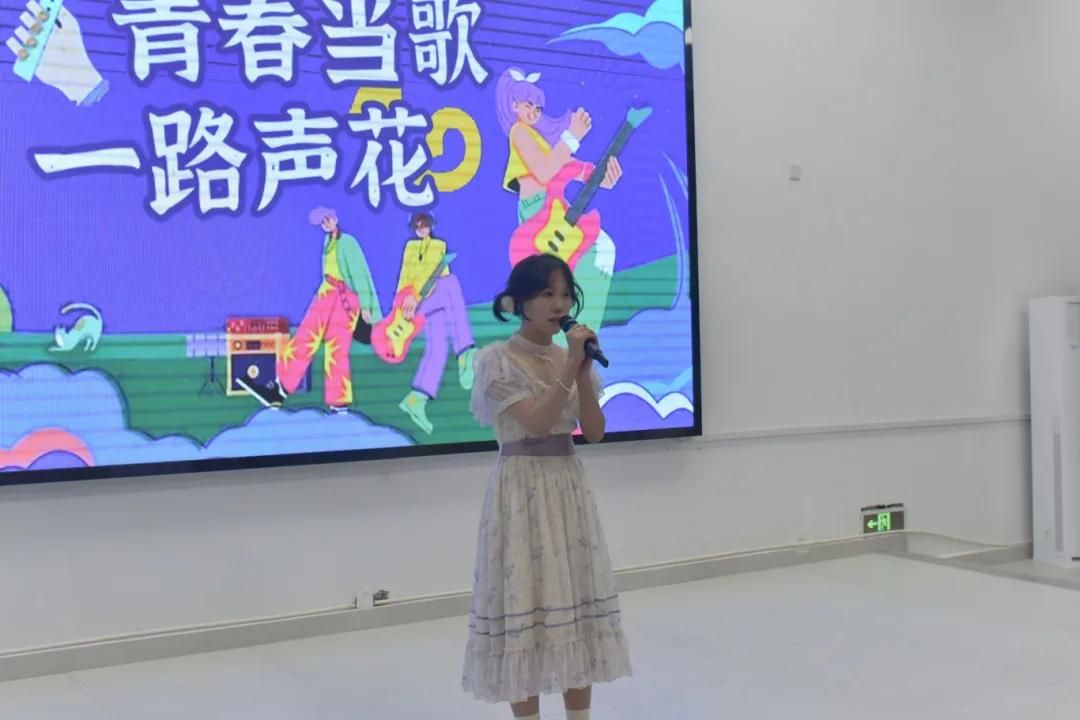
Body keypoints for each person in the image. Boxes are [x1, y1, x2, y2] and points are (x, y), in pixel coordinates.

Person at [462, 254, 631, 720]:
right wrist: (569, 367)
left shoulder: (570, 360)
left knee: (573, 604)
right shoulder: (496, 360)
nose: (559, 304)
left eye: (565, 294)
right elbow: (535, 423)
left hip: (567, 487)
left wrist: (582, 373)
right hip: (521, 490)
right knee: (525, 604)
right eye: (546, 294)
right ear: (519, 302)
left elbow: (594, 431)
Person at [494, 67, 623, 341]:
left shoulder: (538, 138)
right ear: (514, 105)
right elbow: (544, 170)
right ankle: (569, 341)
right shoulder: (519, 133)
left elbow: (566, 166)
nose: (533, 111)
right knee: (586, 257)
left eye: (537, 108)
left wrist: (600, 175)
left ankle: (579, 340)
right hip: (539, 212)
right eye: (528, 104)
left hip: (553, 207)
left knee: (596, 253)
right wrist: (573, 135)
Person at [239, 207, 380, 412]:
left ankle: (339, 401)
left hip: (345, 299)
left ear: (335, 219)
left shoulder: (348, 242)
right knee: (306, 337)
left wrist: (366, 305)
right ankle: (280, 388)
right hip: (327, 291)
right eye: (322, 222)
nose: (326, 224)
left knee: (337, 348)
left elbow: (360, 273)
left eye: (328, 219)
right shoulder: (328, 242)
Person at [395, 212, 477, 434]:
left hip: (433, 299)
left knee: (438, 348)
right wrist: (403, 303)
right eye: (418, 225)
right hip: (414, 304)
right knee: (451, 284)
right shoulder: (410, 247)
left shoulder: (439, 245)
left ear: (431, 226)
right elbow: (405, 276)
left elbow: (435, 273)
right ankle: (465, 352)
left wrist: (418, 296)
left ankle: (416, 398)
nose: (421, 228)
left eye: (425, 225)